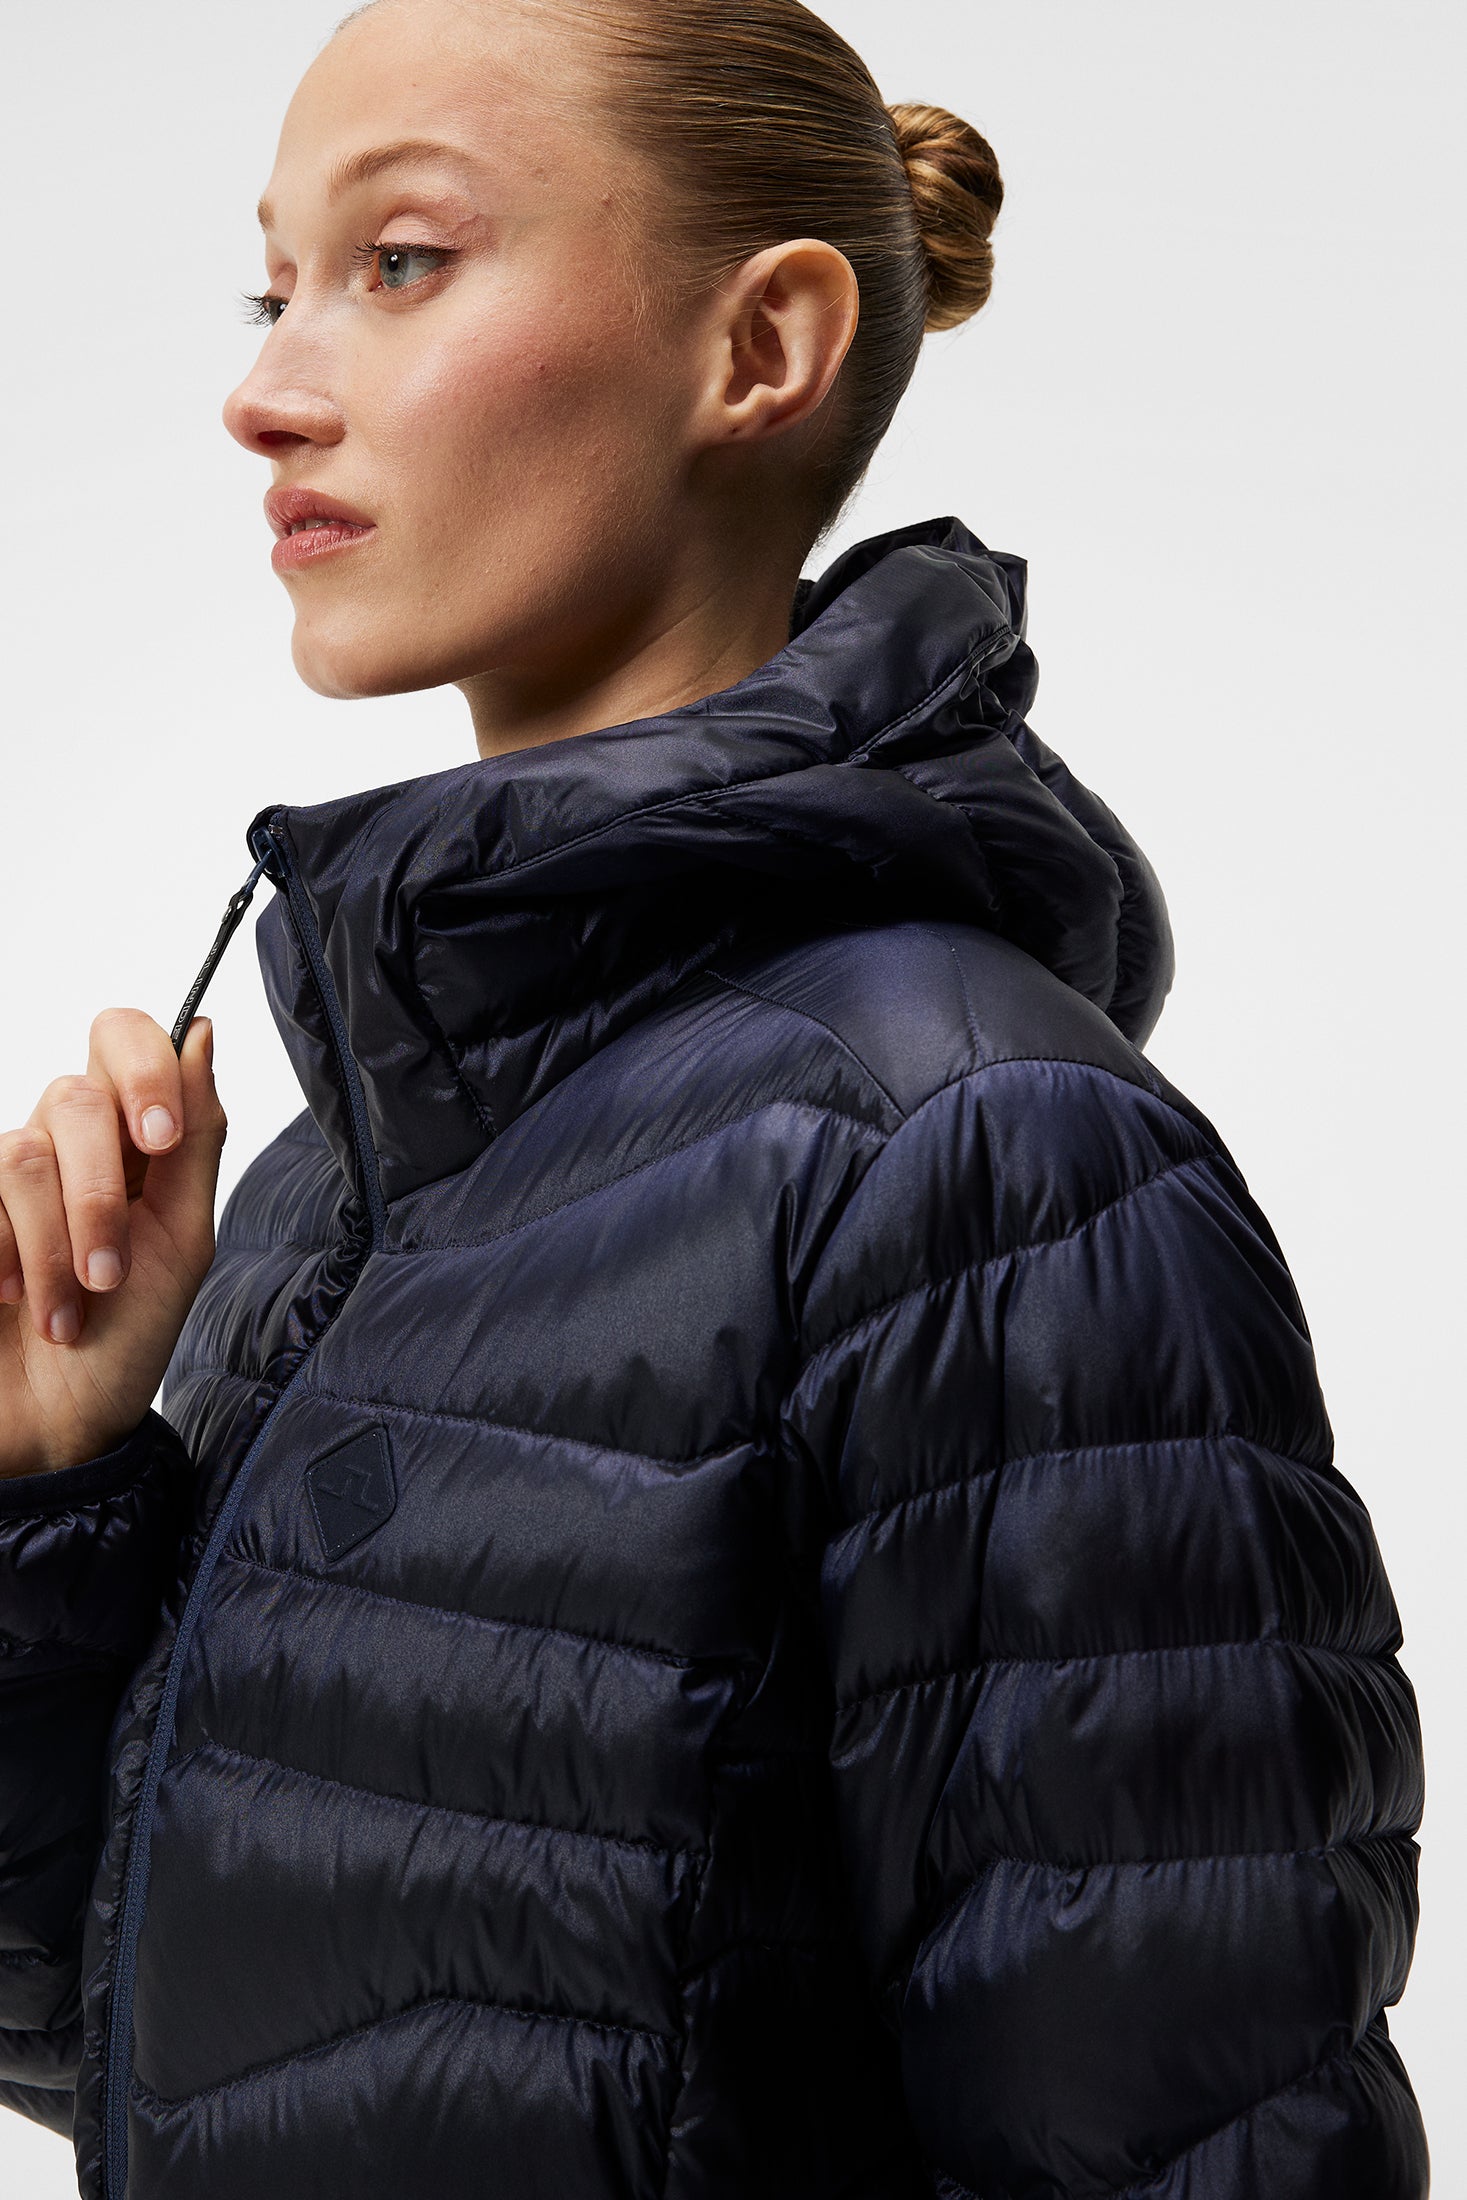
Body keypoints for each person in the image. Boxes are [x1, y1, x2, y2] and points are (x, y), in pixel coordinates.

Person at [0, 0, 1429, 2194]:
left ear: (760, 344)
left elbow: (1199, 2149)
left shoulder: (978, 1152)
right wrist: (53, 1489)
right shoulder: (317, 1193)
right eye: (270, 290)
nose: (266, 389)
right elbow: (171, 2060)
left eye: (401, 261)